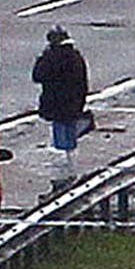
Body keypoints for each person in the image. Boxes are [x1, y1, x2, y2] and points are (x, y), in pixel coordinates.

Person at [33, 25, 89, 181]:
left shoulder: (51, 57)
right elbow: (83, 82)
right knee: (70, 129)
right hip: (73, 102)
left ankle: (64, 167)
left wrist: (41, 59)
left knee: (59, 130)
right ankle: (71, 160)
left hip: (55, 102)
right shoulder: (76, 56)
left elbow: (38, 75)